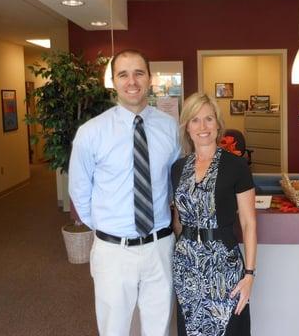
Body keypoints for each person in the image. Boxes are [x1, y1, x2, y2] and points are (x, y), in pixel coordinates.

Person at [69, 49, 180, 336]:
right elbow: (79, 191)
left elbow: (173, 181)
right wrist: (107, 231)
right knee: (114, 329)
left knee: (159, 328)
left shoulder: (169, 128)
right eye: (123, 74)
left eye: (139, 73)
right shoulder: (91, 132)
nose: (132, 81)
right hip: (113, 252)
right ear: (114, 82)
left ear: (150, 79)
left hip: (159, 246)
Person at [171, 92, 257, 336]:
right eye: (195, 120)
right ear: (187, 126)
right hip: (187, 266)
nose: (203, 127)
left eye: (209, 119)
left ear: (218, 124)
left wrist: (249, 275)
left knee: (229, 328)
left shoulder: (236, 166)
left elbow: (249, 223)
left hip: (224, 267)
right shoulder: (178, 168)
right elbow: (179, 220)